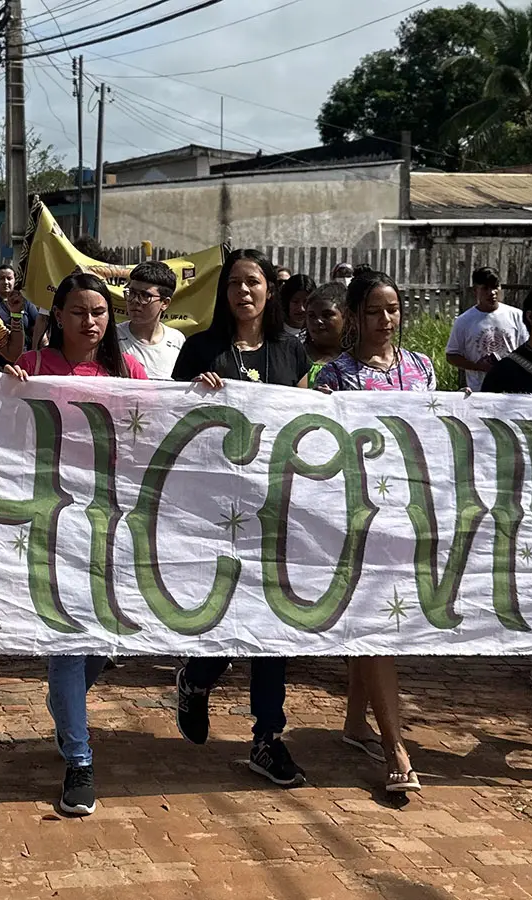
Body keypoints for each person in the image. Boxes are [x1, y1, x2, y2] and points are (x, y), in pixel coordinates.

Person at [1, 272, 147, 816]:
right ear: (56, 315)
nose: (90, 321)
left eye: (100, 312)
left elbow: (159, 424)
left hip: (111, 522)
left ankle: (64, 704)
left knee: (107, 640)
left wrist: (200, 392)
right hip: (49, 523)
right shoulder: (33, 369)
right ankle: (79, 759)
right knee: (68, 638)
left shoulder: (126, 371)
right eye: (79, 311)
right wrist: (7, 389)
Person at [171, 249, 310, 788]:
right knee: (230, 610)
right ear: (222, 292)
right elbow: (173, 420)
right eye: (234, 283)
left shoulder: (289, 349)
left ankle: (267, 737)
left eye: (253, 282)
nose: (244, 291)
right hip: (216, 508)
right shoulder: (199, 349)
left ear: (268, 291)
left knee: (271, 618)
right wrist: (193, 397)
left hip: (275, 505)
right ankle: (199, 675)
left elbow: (299, 420)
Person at [315, 271, 434, 793]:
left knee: (378, 622)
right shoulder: (334, 376)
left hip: (409, 515)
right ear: (354, 317)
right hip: (354, 515)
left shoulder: (422, 369)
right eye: (373, 312)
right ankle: (395, 747)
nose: (385, 321)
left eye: (392, 310)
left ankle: (353, 722)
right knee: (373, 622)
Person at [446, 266, 527, 392]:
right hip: (480, 390)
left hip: (512, 391)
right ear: (475, 290)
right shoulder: (464, 321)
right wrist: (477, 366)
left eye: (495, 287)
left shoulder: (516, 316)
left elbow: (527, 349)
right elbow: (452, 355)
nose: (492, 292)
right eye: (485, 288)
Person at [117, 260, 185, 380]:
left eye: (145, 296)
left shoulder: (177, 341)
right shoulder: (113, 337)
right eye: (131, 293)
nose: (135, 301)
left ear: (164, 303)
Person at [300, 280, 349, 387]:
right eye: (311, 315)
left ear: (346, 316)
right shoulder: (295, 356)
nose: (318, 321)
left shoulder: (358, 362)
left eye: (327, 315)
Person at [280, 273, 315, 341]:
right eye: (295, 302)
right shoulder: (273, 332)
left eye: (305, 302)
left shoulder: (317, 334)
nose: (301, 309)